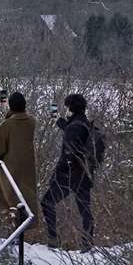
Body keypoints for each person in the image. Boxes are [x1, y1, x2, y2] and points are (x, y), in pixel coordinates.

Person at [40, 92, 95, 249]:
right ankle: (87, 243)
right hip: (84, 175)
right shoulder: (83, 123)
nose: (65, 110)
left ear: (71, 108)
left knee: (47, 202)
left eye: (66, 107)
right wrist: (54, 113)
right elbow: (67, 127)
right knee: (85, 210)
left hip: (69, 175)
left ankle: (53, 238)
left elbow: (69, 153)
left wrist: (58, 175)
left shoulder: (74, 127)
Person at [0, 91, 38, 226]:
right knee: (26, 198)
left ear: (11, 106)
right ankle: (27, 227)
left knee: (8, 197)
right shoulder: (31, 121)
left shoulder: (7, 125)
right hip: (28, 168)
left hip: (11, 169)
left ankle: (11, 226)